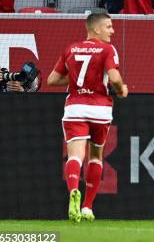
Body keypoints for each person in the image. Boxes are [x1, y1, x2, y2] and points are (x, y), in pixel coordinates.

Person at [47, 13, 129, 222]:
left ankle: (74, 190)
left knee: (75, 156)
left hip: (75, 108)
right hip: (100, 109)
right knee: (95, 157)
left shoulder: (71, 49)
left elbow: (52, 79)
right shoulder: (107, 49)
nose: (112, 31)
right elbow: (113, 76)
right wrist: (121, 88)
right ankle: (87, 206)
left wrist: (75, 80)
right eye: (109, 27)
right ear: (96, 30)